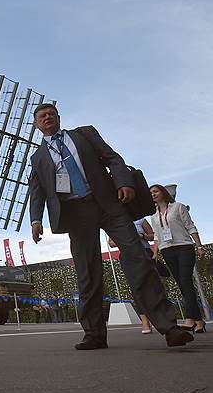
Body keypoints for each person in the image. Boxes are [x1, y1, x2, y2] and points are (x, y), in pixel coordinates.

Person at [27, 103, 192, 349]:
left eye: (51, 113)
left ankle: (169, 327)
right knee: (87, 271)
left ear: (59, 118)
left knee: (138, 258)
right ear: (37, 125)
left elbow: (113, 158)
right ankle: (94, 334)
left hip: (107, 203)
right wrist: (36, 220)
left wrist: (124, 182)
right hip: (75, 213)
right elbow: (37, 189)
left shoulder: (84, 134)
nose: (47, 117)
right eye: (42, 116)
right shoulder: (38, 157)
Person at [148, 184, 206, 333]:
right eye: (151, 193)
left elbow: (191, 226)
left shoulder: (178, 207)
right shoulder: (153, 215)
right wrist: (156, 252)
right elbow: (156, 236)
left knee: (186, 280)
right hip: (167, 250)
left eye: (156, 191)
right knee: (182, 284)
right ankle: (199, 321)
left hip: (184, 247)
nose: (153, 194)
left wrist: (199, 246)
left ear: (163, 192)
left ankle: (190, 319)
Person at [108, 218, 157, 334]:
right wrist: (124, 239)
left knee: (151, 285)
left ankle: (159, 317)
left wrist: (142, 236)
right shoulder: (115, 221)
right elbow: (111, 243)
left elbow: (153, 236)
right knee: (136, 287)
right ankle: (145, 320)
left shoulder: (141, 220)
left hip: (144, 251)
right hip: (127, 254)